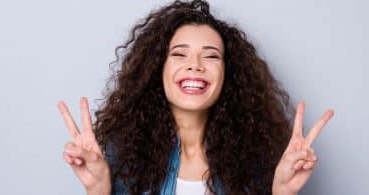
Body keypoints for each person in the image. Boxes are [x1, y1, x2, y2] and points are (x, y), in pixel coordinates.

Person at [58, 0, 334, 194]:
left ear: (229, 73)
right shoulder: (124, 157)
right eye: (179, 53)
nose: (195, 65)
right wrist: (98, 191)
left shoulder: (255, 161)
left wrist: (282, 194)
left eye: (211, 55)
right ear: (158, 69)